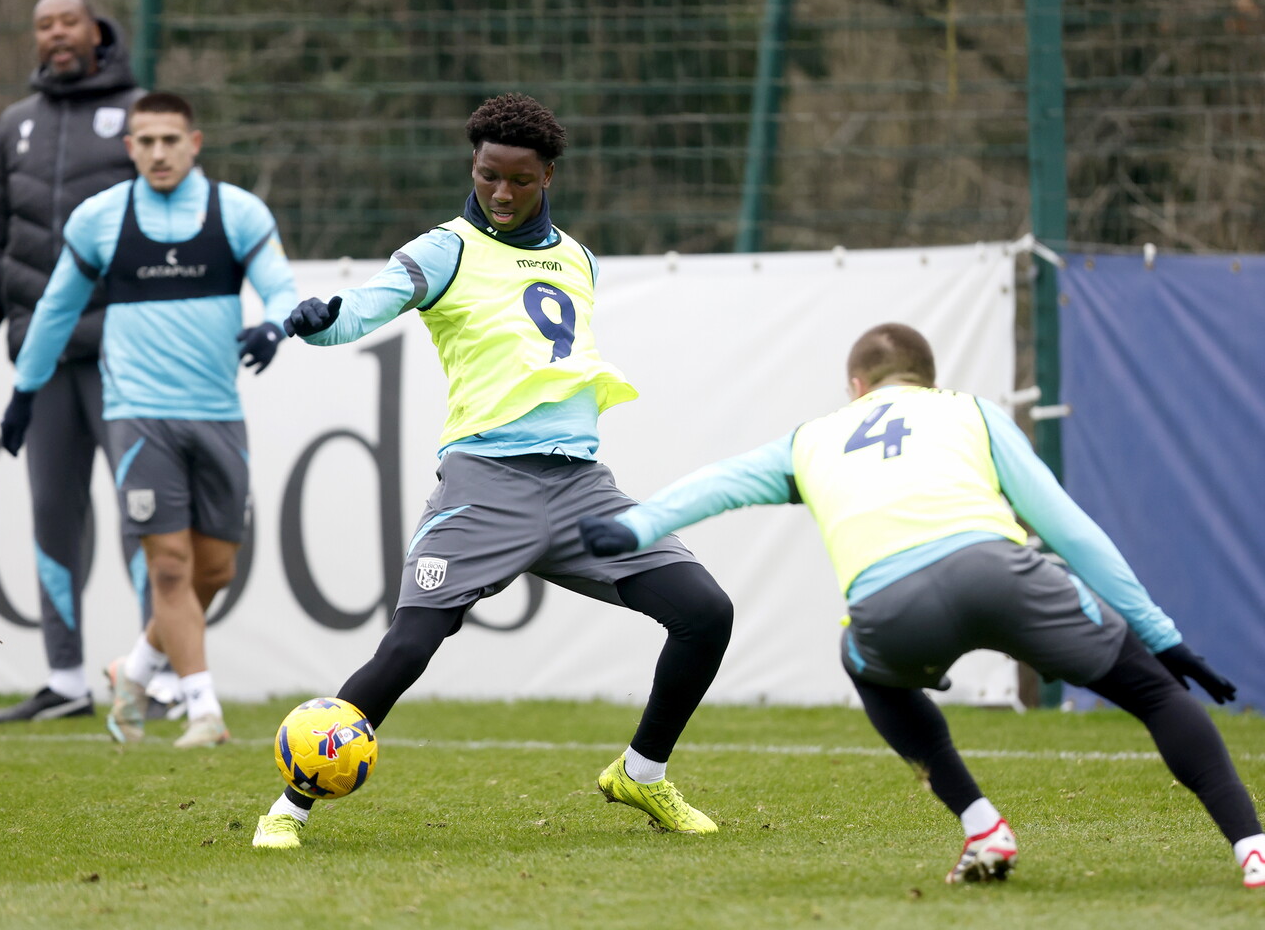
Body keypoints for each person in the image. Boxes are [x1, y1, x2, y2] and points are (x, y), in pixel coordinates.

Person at [579, 322, 1265, 889]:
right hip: (1001, 575)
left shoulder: (813, 437)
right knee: (1153, 694)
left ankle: (980, 824)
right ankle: (1252, 849)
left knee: (863, 662)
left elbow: (717, 484)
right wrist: (1160, 636)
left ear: (856, 387)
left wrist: (636, 528)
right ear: (927, 382)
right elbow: (1070, 529)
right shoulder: (968, 412)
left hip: (890, 608)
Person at [250, 92, 733, 849]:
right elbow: (365, 307)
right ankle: (288, 808)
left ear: (549, 177)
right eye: (486, 177)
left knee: (706, 612)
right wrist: (319, 320)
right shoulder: (444, 249)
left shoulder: (578, 258)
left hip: (579, 486)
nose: (501, 194)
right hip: (485, 488)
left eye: (519, 180)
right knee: (409, 648)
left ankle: (640, 775)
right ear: (471, 167)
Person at [0, 91, 298, 748]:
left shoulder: (237, 212)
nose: (158, 153)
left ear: (195, 142)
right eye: (146, 142)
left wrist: (277, 323)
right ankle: (202, 710)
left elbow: (280, 283)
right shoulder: (100, 220)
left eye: (170, 140)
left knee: (212, 570)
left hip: (218, 415)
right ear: (129, 148)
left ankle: (132, 671)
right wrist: (25, 391)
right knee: (167, 565)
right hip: (137, 417)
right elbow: (52, 312)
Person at [0, 0, 153, 723]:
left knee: (142, 512)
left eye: (68, 23)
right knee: (53, 512)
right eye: (44, 24)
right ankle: (64, 681)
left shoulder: (143, 112)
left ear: (95, 31)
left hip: (124, 352)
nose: (56, 34)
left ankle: (164, 673)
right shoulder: (14, 125)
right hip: (42, 357)